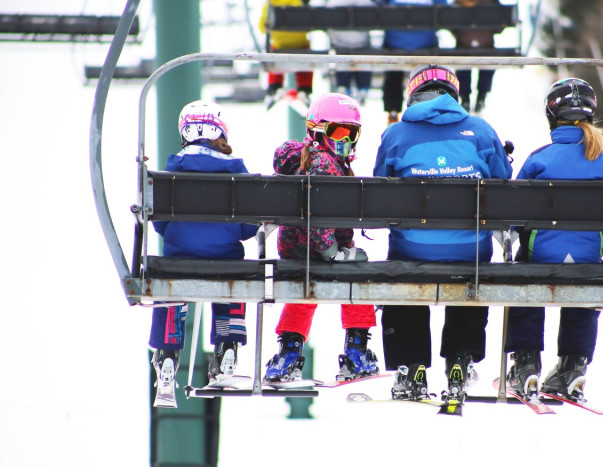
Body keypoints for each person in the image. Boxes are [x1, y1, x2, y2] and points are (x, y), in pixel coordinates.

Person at [373, 64, 513, 401]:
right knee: (472, 271)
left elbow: (379, 189)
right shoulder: (480, 131)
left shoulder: (395, 134)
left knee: (403, 273)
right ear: (454, 95)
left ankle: (411, 364)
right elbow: (503, 181)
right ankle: (460, 360)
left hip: (412, 248)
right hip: (470, 251)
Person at [504, 78, 603, 402]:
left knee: (524, 283)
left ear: (552, 116)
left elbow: (514, 215)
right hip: (586, 261)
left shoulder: (539, 159)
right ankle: (573, 365)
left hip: (541, 259)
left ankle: (526, 362)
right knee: (585, 284)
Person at [263, 92, 380, 383]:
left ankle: (289, 351)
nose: (345, 140)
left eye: (351, 133)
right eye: (338, 131)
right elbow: (317, 212)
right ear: (316, 130)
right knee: (357, 276)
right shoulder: (325, 163)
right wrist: (332, 250)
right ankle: (356, 349)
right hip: (320, 249)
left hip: (296, 251)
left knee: (306, 288)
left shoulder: (310, 158)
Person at [150, 101, 259, 398]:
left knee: (171, 287)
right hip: (226, 261)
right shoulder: (236, 169)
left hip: (178, 260)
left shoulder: (173, 169)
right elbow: (250, 228)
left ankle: (168, 351)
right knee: (232, 281)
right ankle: (227, 343)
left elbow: (160, 224)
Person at [379, 0, 447, 125]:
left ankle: (393, 111)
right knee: (428, 73)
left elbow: (378, 8)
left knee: (393, 72)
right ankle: (428, 105)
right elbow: (445, 9)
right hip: (426, 44)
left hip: (395, 44)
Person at [260, 0, 314, 107]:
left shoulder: (271, 3)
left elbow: (262, 27)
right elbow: (309, 23)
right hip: (300, 43)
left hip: (279, 44)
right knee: (305, 52)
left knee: (273, 52)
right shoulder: (299, 2)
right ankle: (304, 88)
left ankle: (274, 86)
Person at [327, 0, 376, 104]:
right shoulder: (366, 3)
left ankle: (343, 87)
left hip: (340, 44)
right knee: (364, 53)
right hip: (361, 43)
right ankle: (363, 88)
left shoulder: (333, 4)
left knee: (341, 54)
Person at [453, 0, 497, 114]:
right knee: (488, 60)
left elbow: (451, 24)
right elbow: (499, 25)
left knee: (462, 59)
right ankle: (482, 97)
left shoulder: (458, 3)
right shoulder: (492, 3)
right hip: (486, 45)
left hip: (463, 44)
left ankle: (465, 97)